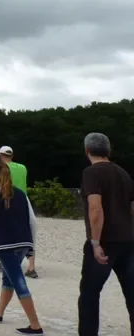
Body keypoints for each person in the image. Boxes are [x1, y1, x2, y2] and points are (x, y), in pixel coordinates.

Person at [0, 162, 42, 335]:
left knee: (18, 281)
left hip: (5, 243)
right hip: (23, 242)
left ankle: (35, 324)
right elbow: (33, 221)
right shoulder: (21, 194)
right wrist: (31, 247)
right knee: (9, 277)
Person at [78, 132, 134, 336]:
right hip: (128, 242)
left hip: (105, 242)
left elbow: (96, 208)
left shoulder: (91, 173)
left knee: (89, 295)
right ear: (108, 150)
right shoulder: (123, 173)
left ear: (87, 150)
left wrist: (95, 242)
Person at [0, 145, 37, 278]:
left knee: (6, 231)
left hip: (9, 199)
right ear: (12, 156)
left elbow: (1, 186)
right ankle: (31, 266)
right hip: (25, 201)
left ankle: (7, 261)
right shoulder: (23, 167)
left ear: (0, 156)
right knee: (29, 231)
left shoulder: (2, 169)